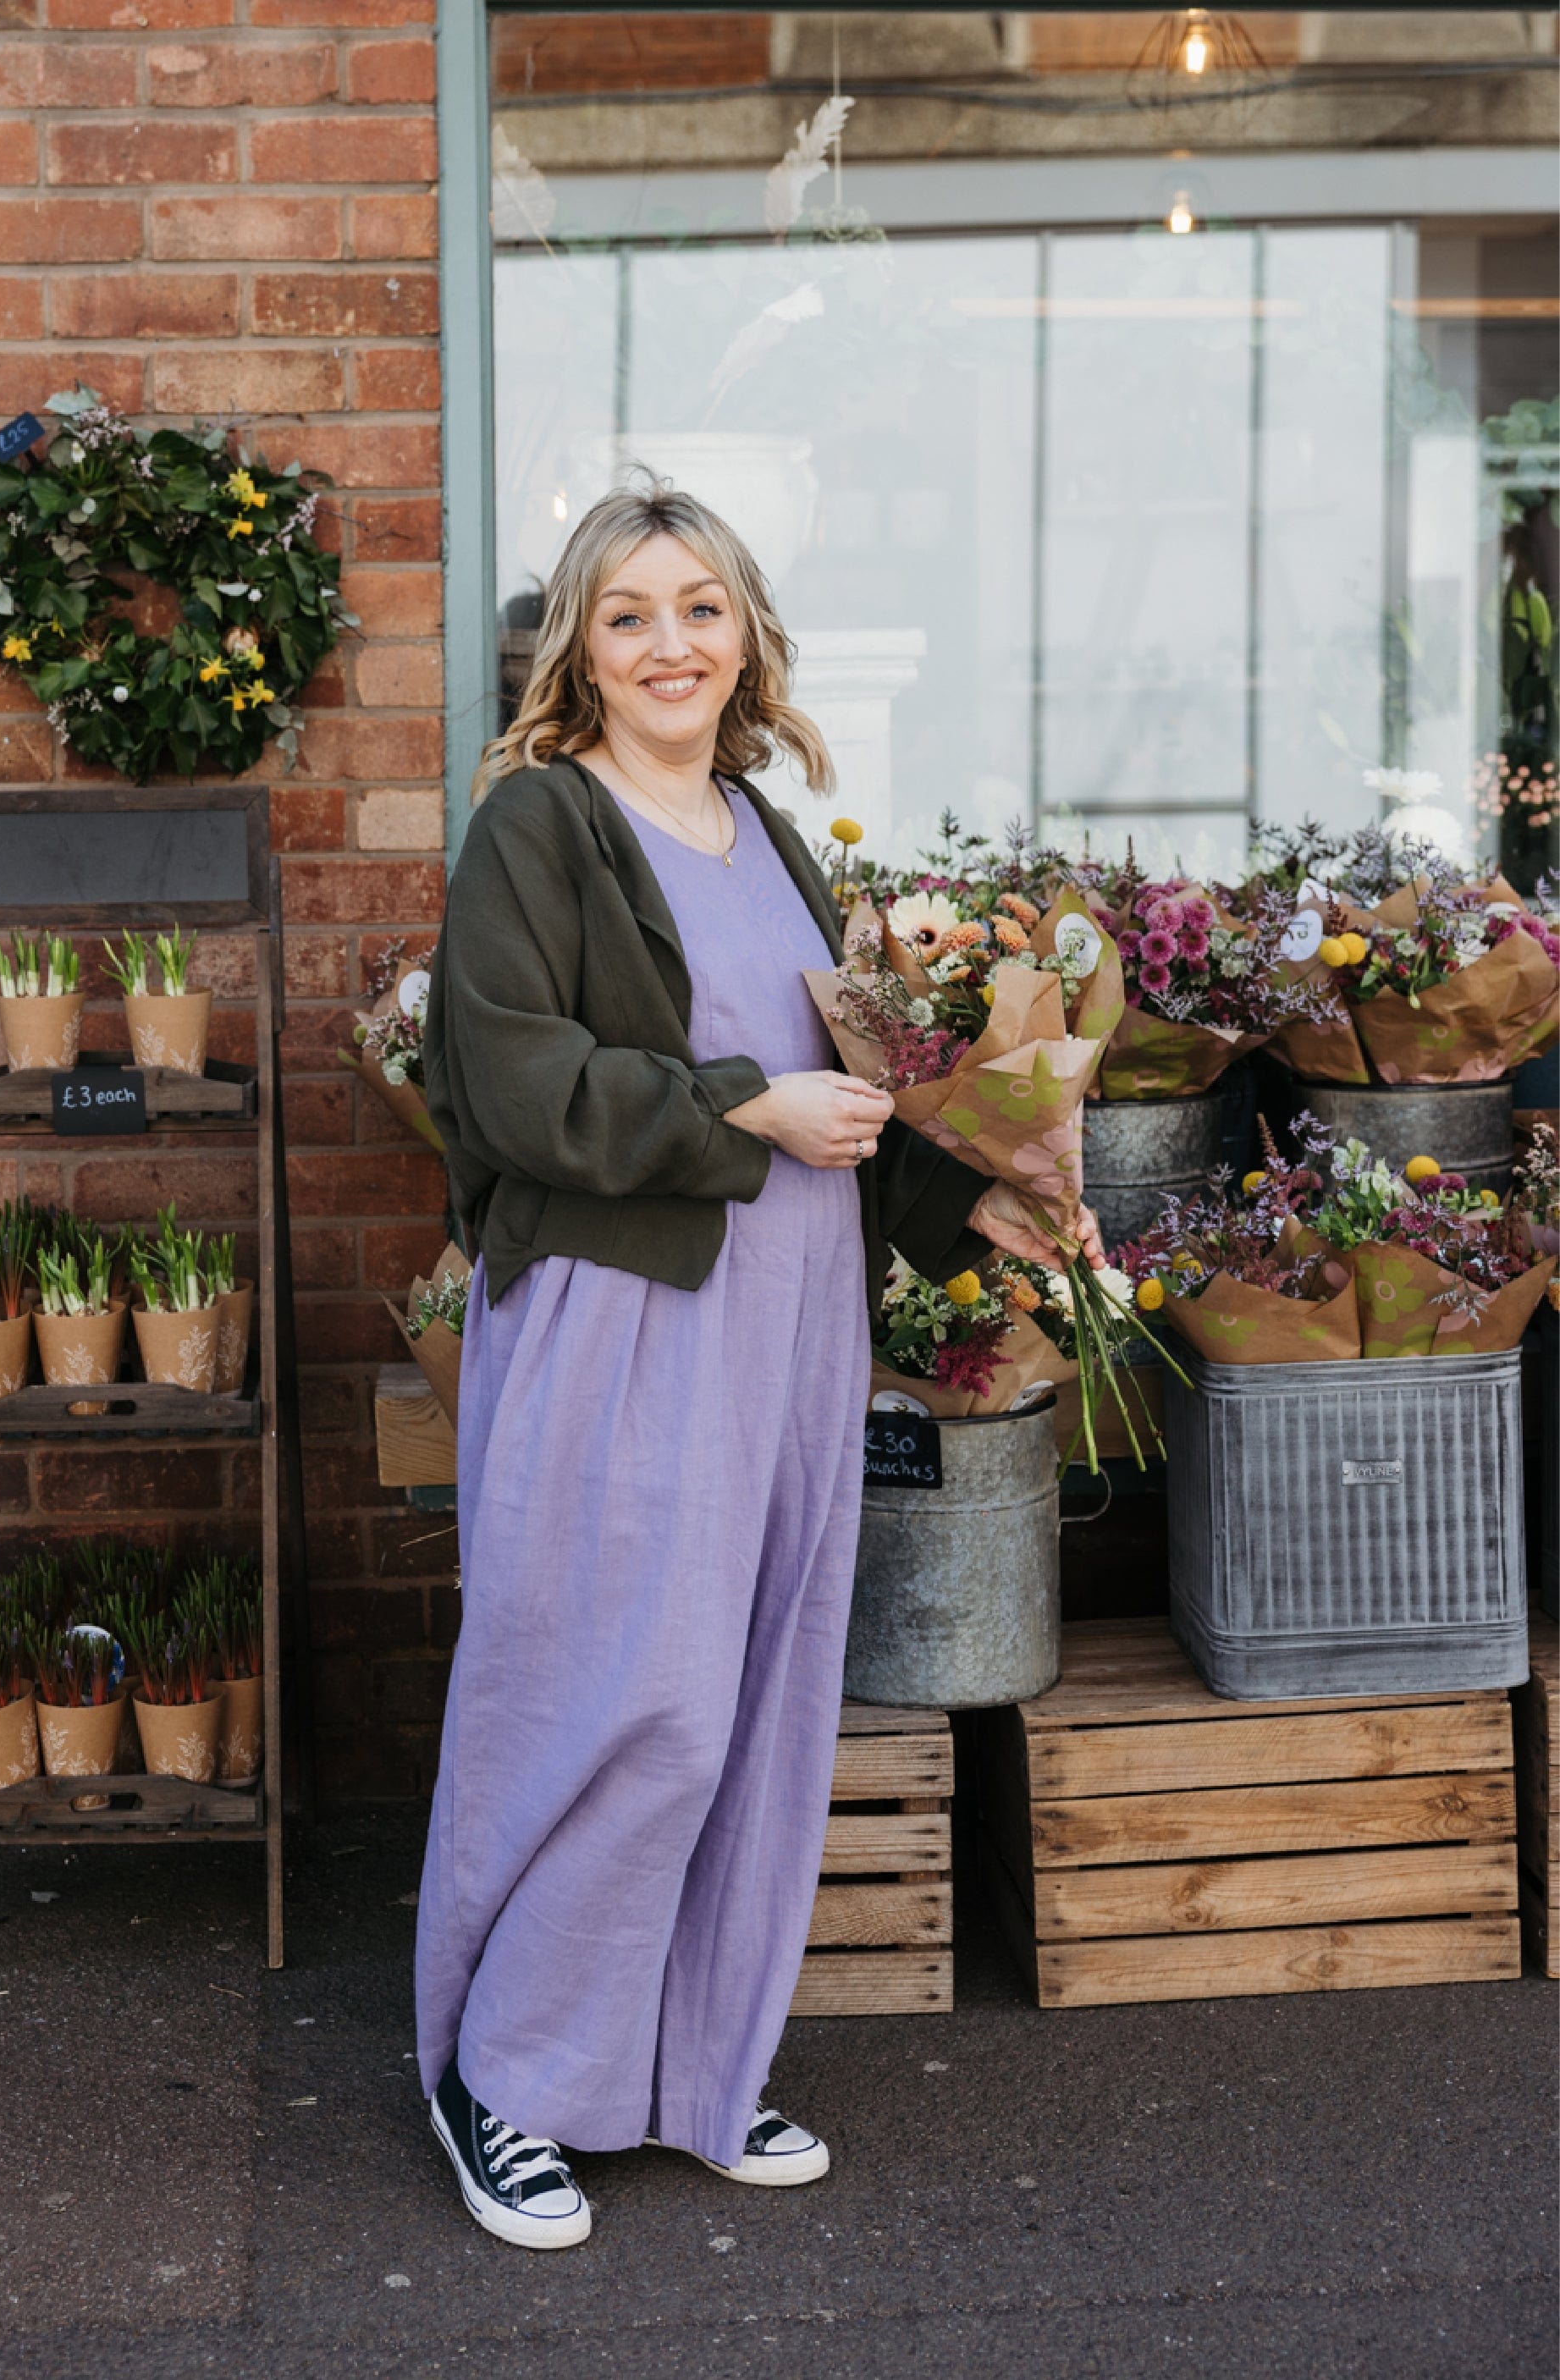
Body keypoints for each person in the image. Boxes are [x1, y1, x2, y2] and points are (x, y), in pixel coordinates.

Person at [414, 478, 1101, 2250]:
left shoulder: (763, 826)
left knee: (759, 1700)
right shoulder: (539, 830)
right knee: (613, 1697)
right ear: (578, 639)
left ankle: (696, 2066)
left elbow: (844, 1091)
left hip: (791, 1323)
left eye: (700, 607)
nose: (669, 643)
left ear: (747, 636)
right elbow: (509, 1083)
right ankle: (506, 2074)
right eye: (629, 610)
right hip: (619, 1321)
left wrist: (980, 1208)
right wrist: (742, 1107)